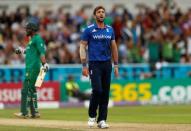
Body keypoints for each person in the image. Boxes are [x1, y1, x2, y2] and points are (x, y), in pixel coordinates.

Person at [79, 6, 119, 129]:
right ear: (95, 15)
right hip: (94, 64)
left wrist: (116, 64)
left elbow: (114, 47)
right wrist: (84, 65)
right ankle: (92, 116)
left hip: (107, 64)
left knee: (105, 93)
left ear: (104, 15)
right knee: (97, 90)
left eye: (103, 12)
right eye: (98, 12)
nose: (101, 14)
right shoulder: (89, 30)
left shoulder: (110, 30)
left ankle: (102, 120)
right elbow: (82, 47)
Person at [14, 16, 49, 118]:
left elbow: (41, 53)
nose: (26, 31)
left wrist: (44, 64)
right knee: (31, 90)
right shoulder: (31, 40)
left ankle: (24, 112)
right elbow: (30, 52)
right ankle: (34, 112)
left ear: (32, 30)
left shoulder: (37, 39)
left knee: (27, 90)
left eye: (28, 29)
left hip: (33, 67)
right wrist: (22, 51)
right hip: (30, 67)